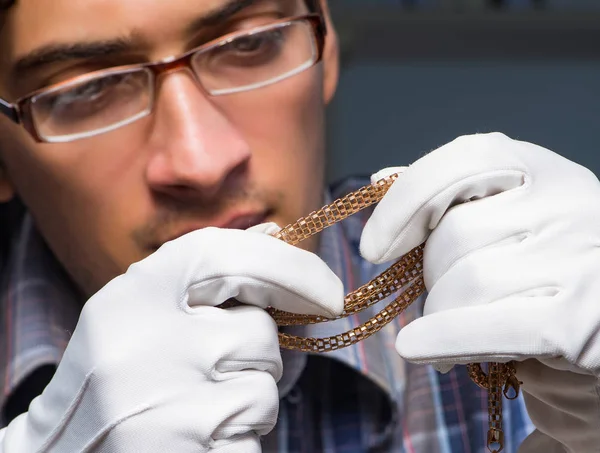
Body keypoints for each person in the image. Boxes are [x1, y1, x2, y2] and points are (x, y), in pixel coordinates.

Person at [0, 0, 598, 451]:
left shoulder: (527, 322)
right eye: (87, 91)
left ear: (327, 47)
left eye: (250, 43)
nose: (202, 162)